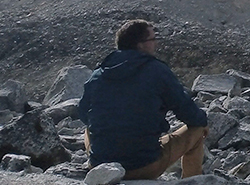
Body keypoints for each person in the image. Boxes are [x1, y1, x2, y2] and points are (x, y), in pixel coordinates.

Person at [78, 19, 209, 179]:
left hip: (101, 165)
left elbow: (84, 113)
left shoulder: (99, 73)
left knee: (89, 129)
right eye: (152, 39)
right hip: (143, 165)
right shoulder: (157, 71)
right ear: (140, 44)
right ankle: (192, 181)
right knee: (198, 128)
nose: (156, 44)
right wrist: (203, 121)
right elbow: (188, 113)